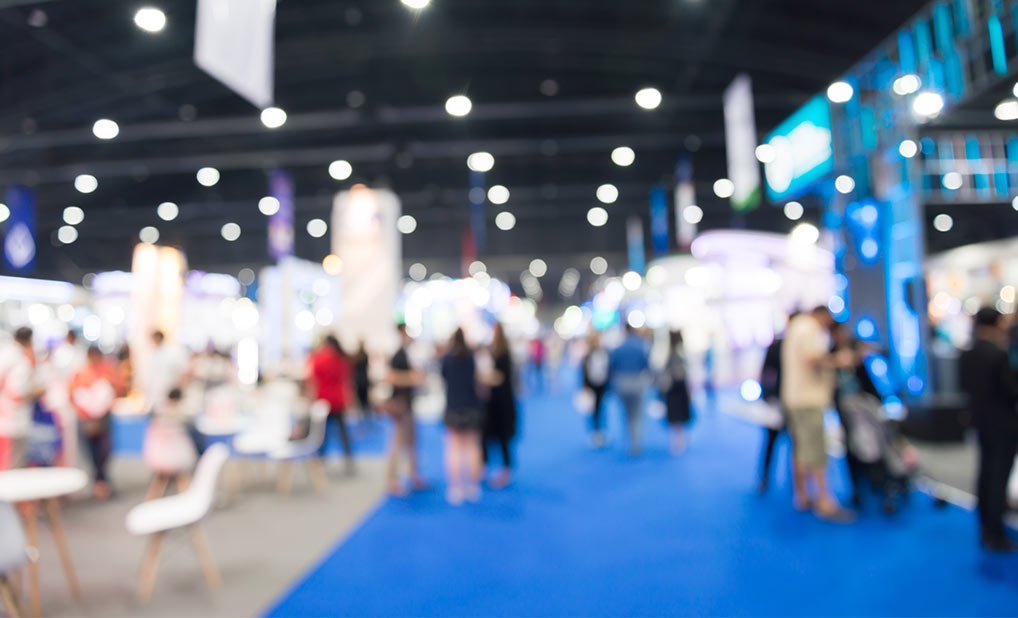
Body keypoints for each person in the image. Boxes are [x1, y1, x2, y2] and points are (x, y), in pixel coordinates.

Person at [780, 306, 855, 522]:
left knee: (801, 448)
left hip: (795, 397)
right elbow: (812, 358)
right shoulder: (808, 327)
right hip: (807, 399)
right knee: (816, 450)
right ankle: (824, 501)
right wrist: (839, 360)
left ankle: (801, 495)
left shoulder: (796, 326)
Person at [960, 307, 1018, 552]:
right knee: (997, 478)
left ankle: (986, 526)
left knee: (985, 475)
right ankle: (995, 533)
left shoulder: (968, 352)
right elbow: (1011, 390)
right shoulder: (997, 354)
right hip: (1003, 424)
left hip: (981, 421)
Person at [441, 329, 484, 505]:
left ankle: (455, 488)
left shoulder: (447, 359)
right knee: (472, 446)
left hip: (453, 407)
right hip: (471, 406)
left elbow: (443, 377)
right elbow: (476, 380)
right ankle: (473, 486)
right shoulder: (471, 357)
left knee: (454, 448)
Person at [69, 346, 119, 500]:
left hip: (103, 418)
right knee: (90, 451)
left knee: (103, 451)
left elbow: (118, 389)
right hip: (86, 419)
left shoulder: (108, 371)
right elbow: (71, 394)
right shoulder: (80, 373)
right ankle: (98, 480)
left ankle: (102, 480)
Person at [383, 325, 427, 496]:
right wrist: (413, 379)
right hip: (400, 405)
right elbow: (391, 377)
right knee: (396, 445)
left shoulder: (409, 354)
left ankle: (414, 475)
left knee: (412, 443)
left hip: (408, 404)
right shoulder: (398, 354)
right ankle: (392, 481)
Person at [307, 335, 355, 474]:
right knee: (343, 433)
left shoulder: (319, 358)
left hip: (323, 401)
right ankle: (348, 459)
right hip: (338, 400)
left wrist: (311, 400)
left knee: (322, 433)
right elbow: (347, 381)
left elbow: (313, 381)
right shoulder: (342, 359)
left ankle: (320, 461)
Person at [483, 323, 518, 489]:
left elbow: (501, 378)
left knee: (503, 437)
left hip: (503, 403)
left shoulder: (504, 354)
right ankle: (485, 467)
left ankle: (506, 470)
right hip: (492, 404)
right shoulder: (494, 351)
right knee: (488, 436)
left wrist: (483, 378)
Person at [0, 327, 41, 470]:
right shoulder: (19, 360)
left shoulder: (5, 353)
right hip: (14, 420)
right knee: (13, 465)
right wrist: (37, 391)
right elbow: (17, 393)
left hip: (6, 418)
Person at [609, 323, 650, 456]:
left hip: (622, 383)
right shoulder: (640, 347)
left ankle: (629, 439)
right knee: (637, 414)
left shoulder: (618, 348)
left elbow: (612, 367)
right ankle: (635, 442)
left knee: (626, 413)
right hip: (637, 383)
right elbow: (646, 365)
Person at [757, 327, 788, 494]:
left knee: (794, 444)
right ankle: (764, 477)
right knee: (771, 440)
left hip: (790, 401)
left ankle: (795, 481)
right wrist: (769, 396)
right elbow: (766, 371)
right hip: (776, 400)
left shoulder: (791, 345)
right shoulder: (777, 346)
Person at [662, 330, 692, 454]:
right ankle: (679, 440)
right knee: (677, 415)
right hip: (677, 389)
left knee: (677, 415)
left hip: (675, 389)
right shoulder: (677, 354)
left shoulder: (674, 354)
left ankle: (679, 440)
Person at [582, 332, 610, 448]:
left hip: (602, 385)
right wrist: (585, 387)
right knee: (593, 410)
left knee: (601, 408)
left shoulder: (605, 353)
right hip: (592, 386)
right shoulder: (588, 355)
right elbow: (584, 372)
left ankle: (601, 431)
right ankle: (595, 431)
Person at [353, 344, 373, 424]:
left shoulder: (357, 358)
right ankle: (366, 417)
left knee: (362, 401)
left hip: (360, 382)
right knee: (365, 401)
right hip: (363, 381)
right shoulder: (364, 356)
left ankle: (364, 417)